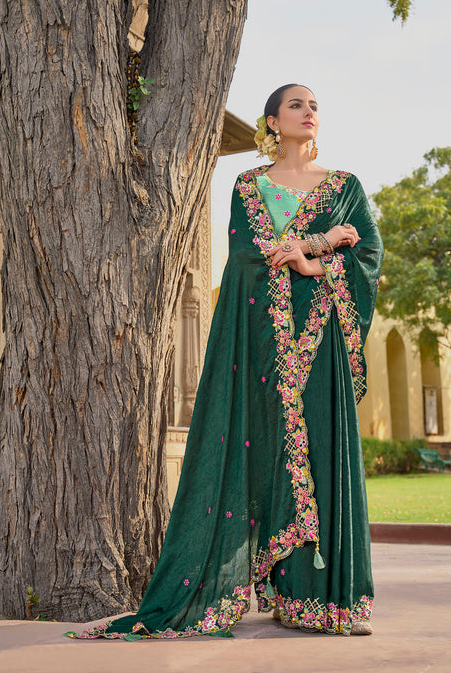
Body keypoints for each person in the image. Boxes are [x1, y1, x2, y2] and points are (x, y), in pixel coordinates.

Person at [65, 83, 383, 641]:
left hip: (321, 339)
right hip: (262, 340)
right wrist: (321, 240)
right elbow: (244, 256)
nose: (309, 113)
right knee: (265, 455)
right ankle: (275, 587)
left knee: (321, 453)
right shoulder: (249, 185)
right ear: (272, 121)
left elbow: (368, 255)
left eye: (314, 106)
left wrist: (315, 256)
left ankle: (323, 600)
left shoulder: (344, 186)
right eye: (296, 105)